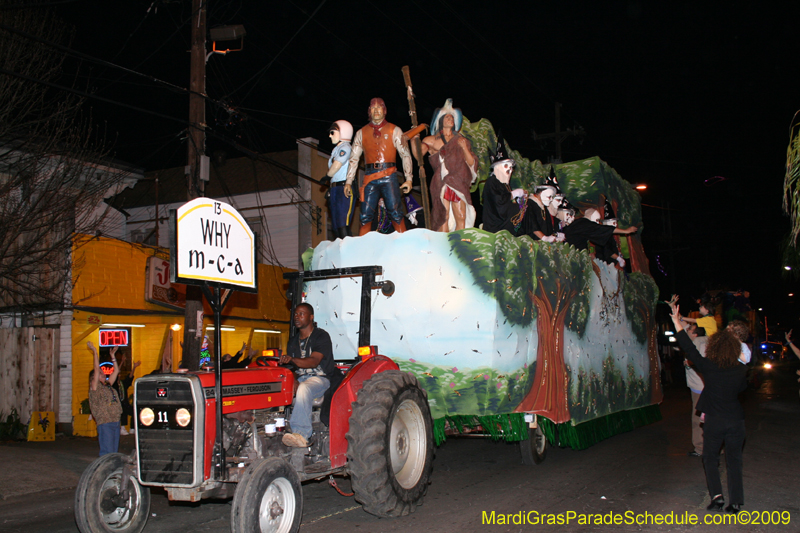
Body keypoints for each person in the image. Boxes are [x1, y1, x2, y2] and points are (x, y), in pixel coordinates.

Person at [670, 302, 748, 514]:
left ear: (715, 348)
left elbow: (689, 348)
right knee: (734, 460)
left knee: (710, 458)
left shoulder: (708, 366)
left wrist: (677, 322)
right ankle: (737, 502)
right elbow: (742, 387)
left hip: (715, 419)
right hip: (736, 420)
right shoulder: (741, 369)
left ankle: (717, 498)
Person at [346, 98, 413, 236]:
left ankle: (404, 243)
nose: (376, 110)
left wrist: (409, 178)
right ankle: (363, 249)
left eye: (379, 107)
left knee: (395, 213)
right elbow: (353, 159)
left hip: (389, 175)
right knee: (365, 215)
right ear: (369, 111)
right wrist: (348, 181)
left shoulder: (395, 130)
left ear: (384, 110)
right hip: (370, 178)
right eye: (373, 107)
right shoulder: (361, 133)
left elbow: (405, 154)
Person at [280, 303, 341, 447]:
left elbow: (314, 361)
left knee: (304, 389)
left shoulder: (321, 336)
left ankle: (301, 434)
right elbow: (291, 368)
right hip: (301, 378)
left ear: (311, 317)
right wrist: (293, 380)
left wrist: (292, 360)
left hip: (320, 379)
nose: (297, 317)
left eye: (301, 314)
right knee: (278, 387)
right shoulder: (293, 341)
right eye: (295, 314)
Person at [413, 99, 478, 232]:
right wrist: (414, 137)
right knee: (443, 215)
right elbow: (418, 156)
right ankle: (443, 245)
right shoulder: (431, 140)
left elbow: (472, 163)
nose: (450, 119)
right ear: (441, 120)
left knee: (461, 215)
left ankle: (460, 245)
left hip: (458, 181)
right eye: (447, 117)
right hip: (441, 181)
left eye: (452, 117)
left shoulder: (462, 140)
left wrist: (464, 148)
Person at [481, 135, 525, 234]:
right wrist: (514, 194)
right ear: (497, 167)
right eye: (506, 166)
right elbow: (499, 201)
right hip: (495, 229)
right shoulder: (491, 182)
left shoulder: (506, 185)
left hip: (507, 229)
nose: (509, 170)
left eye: (511, 168)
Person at [87, 341, 123, 456]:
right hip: (105, 421)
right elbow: (96, 369)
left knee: (114, 451)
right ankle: (104, 470)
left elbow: (116, 371)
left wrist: (113, 356)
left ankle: (112, 469)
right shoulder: (95, 388)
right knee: (107, 451)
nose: (104, 375)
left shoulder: (107, 385)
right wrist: (95, 352)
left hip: (115, 420)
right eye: (101, 374)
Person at [322, 120, 355, 239]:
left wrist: (327, 176)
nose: (330, 135)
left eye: (332, 132)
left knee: (342, 221)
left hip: (343, 187)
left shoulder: (345, 147)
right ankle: (339, 249)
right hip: (335, 188)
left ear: (343, 132)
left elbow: (337, 164)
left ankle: (348, 251)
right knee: (335, 224)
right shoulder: (336, 149)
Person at [561, 207, 638, 256]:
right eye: (597, 220)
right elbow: (603, 229)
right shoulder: (585, 224)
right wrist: (625, 231)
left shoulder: (581, 223)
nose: (598, 223)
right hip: (569, 254)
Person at [684, 324, 708, 457]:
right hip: (709, 385)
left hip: (699, 387)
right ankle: (717, 447)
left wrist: (688, 362)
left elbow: (696, 361)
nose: (687, 330)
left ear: (695, 333)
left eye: (689, 329)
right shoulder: (708, 340)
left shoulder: (697, 343)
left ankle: (700, 448)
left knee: (697, 418)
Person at [114, 351, 140, 435]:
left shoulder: (122, 383)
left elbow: (129, 377)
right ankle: (122, 428)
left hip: (125, 403)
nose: (119, 376)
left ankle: (132, 428)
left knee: (134, 411)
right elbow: (116, 371)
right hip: (117, 404)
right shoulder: (113, 385)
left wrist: (134, 367)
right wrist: (121, 362)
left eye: (119, 375)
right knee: (122, 410)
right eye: (117, 375)